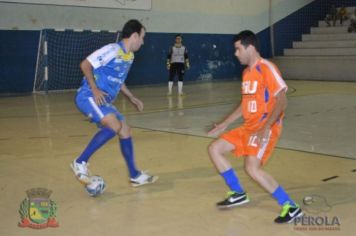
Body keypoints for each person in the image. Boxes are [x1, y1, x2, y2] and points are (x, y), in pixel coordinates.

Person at [207, 30, 303, 224]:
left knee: (252, 168)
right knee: (215, 148)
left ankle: (291, 206)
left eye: (238, 49)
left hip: (264, 128)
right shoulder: (246, 73)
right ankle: (238, 192)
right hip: (248, 127)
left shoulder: (266, 68)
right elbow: (245, 104)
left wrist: (266, 127)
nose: (236, 53)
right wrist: (225, 123)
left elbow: (282, 101)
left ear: (250, 47)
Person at [71, 19, 158, 188]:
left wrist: (131, 97)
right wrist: (95, 89)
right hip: (89, 95)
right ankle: (80, 162)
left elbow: (119, 81)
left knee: (125, 130)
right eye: (142, 37)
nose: (143, 41)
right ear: (134, 35)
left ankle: (134, 175)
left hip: (104, 100)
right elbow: (85, 64)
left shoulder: (129, 56)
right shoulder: (112, 49)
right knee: (113, 125)